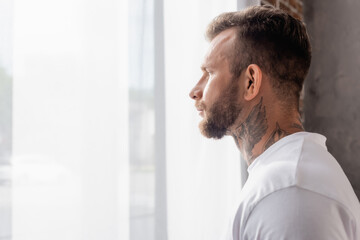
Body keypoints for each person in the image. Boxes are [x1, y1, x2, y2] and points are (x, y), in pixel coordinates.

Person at [189, 5, 360, 240]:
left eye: (209, 73)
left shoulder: (289, 194)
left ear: (251, 81)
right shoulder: (288, 178)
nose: (195, 91)